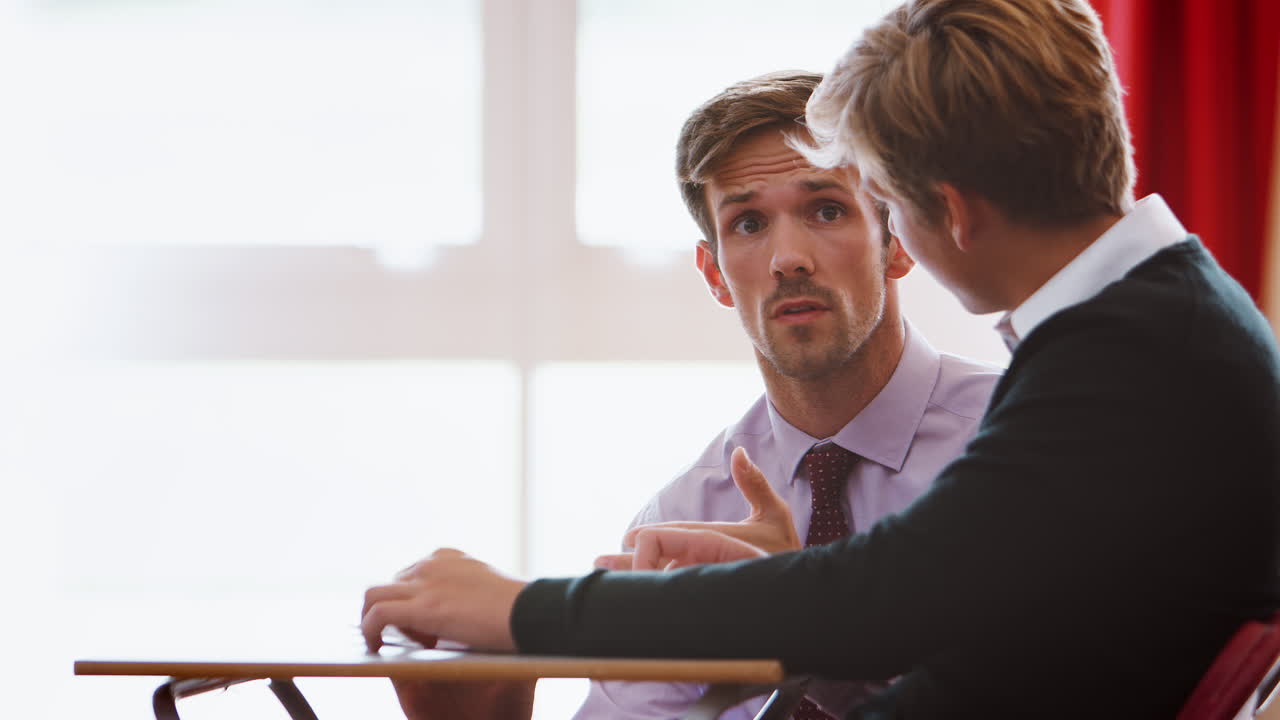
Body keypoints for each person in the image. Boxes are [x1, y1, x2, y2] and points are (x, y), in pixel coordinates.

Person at [362, 0, 1280, 716]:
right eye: (750, 224)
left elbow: (889, 598)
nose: (791, 254)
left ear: (936, 220)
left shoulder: (1115, 366)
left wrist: (522, 611)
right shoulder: (1165, 326)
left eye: (861, 201)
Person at [387, 69, 1002, 720]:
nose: (787, 258)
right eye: (748, 223)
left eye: (826, 209)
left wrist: (792, 613)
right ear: (714, 274)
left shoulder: (1020, 440)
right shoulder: (680, 520)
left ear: (896, 241)